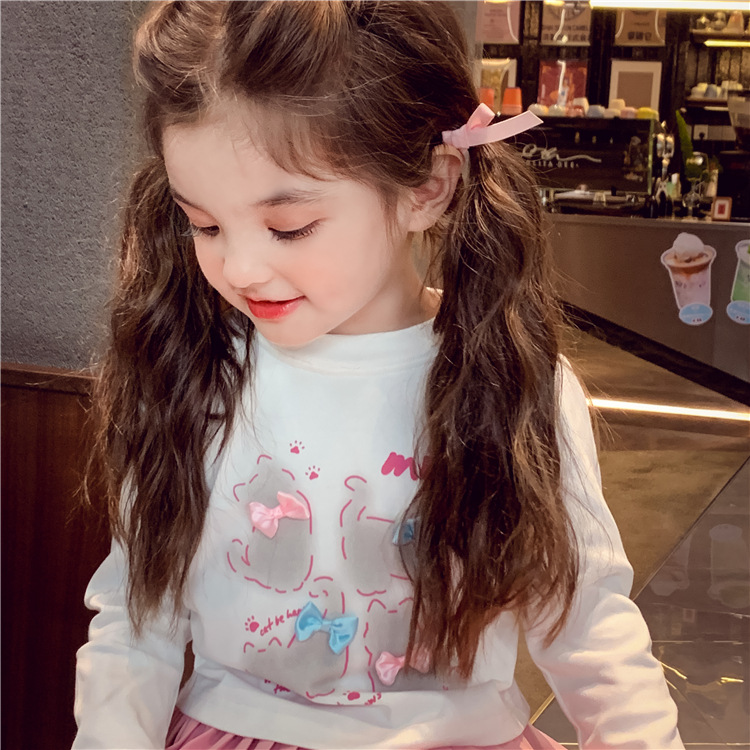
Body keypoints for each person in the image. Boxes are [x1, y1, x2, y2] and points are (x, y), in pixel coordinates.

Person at [73, 2, 684, 748]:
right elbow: (139, 623)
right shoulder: (197, 374)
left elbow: (586, 623)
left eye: (289, 226)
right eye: (204, 224)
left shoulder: (512, 379)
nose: (240, 267)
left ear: (427, 186)